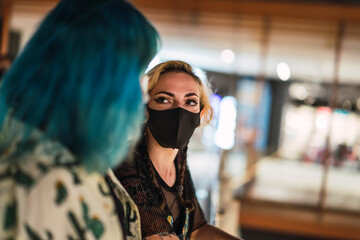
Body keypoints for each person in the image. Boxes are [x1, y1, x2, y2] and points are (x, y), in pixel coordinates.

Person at [0, 0, 158, 239]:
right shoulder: (47, 183)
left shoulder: (75, 159)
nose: (142, 94)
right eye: (136, 75)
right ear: (99, 83)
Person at [114, 60, 242, 240]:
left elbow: (197, 230)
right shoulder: (127, 163)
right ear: (144, 109)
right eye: (165, 99)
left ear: (200, 114)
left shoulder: (178, 160)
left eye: (190, 101)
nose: (179, 111)